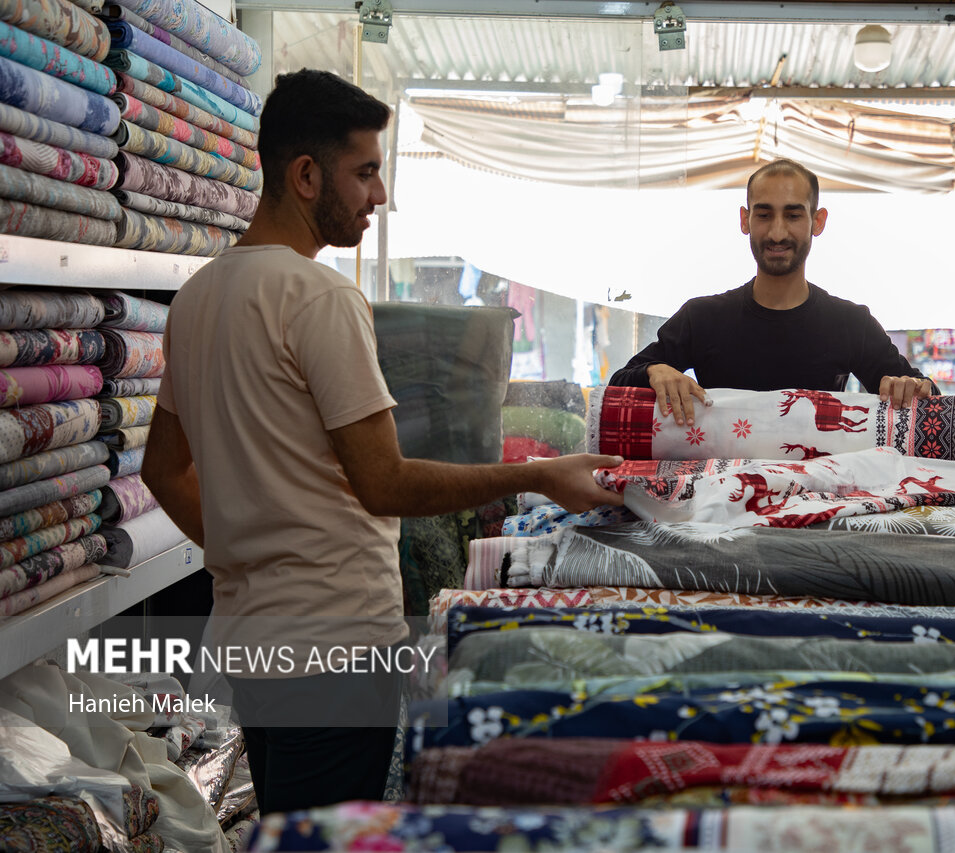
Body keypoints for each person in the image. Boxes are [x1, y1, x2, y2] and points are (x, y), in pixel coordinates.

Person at [140, 69, 623, 814]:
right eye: (365, 172)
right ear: (305, 175)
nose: (380, 195)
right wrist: (538, 477)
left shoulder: (199, 296)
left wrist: (248, 547)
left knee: (285, 825)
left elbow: (163, 470)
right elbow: (384, 482)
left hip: (252, 637)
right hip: (334, 644)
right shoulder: (319, 297)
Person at [609, 159, 936, 425]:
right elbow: (616, 388)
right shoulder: (702, 317)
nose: (777, 232)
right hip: (720, 495)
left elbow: (929, 398)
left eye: (793, 215)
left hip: (815, 497)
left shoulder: (851, 323)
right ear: (745, 219)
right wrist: (655, 371)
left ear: (817, 222)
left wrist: (912, 389)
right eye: (764, 215)